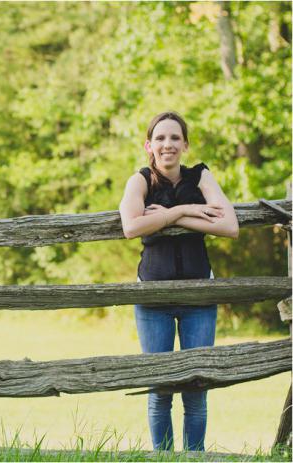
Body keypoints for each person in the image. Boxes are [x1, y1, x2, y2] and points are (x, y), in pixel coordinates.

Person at [119, 111, 239, 451]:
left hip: (199, 296)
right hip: (153, 297)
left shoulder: (200, 176)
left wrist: (171, 216)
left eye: (174, 138)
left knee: (196, 387)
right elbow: (131, 227)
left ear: (185, 145)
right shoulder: (141, 180)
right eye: (160, 138)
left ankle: (194, 458)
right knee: (160, 390)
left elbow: (230, 226)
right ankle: (163, 458)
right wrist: (184, 212)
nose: (167, 144)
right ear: (149, 146)